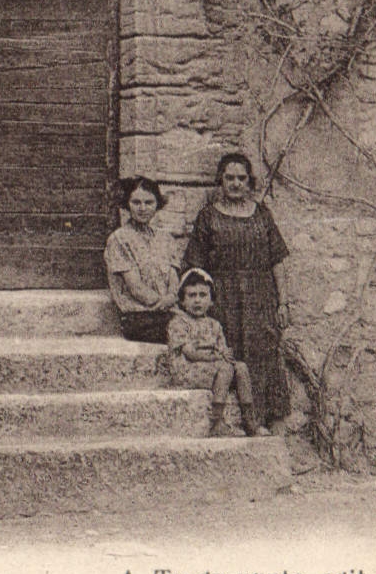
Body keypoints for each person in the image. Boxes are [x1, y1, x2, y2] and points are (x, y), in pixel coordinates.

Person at [182, 151, 291, 429]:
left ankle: (267, 421)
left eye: (241, 178)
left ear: (249, 181)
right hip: (224, 300)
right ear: (220, 181)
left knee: (263, 355)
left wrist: (283, 303)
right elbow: (195, 266)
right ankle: (233, 423)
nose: (235, 183)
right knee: (230, 358)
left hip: (260, 298)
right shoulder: (208, 217)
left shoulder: (262, 214)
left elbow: (277, 260)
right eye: (229, 178)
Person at [166, 269, 269, 437]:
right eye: (191, 296)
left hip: (212, 368)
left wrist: (226, 355)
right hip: (188, 370)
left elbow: (223, 350)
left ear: (211, 301)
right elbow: (190, 353)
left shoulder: (214, 325)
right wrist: (218, 357)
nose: (197, 300)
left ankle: (250, 419)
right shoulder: (179, 323)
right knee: (226, 369)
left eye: (202, 295)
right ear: (183, 301)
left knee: (241, 367)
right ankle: (217, 421)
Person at [103, 176, 179, 342]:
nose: (142, 208)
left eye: (149, 203)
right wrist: (164, 303)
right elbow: (135, 288)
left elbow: (173, 277)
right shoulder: (119, 239)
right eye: (136, 202)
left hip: (167, 313)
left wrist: (172, 296)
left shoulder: (165, 239)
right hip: (139, 317)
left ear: (157, 205)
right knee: (189, 335)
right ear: (127, 205)